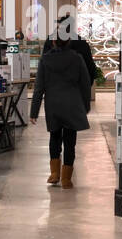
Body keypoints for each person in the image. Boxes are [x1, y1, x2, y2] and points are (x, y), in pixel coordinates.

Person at [29, 37, 91, 189]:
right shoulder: (77, 59)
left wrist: (34, 111)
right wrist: (85, 106)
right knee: (70, 141)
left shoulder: (45, 59)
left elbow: (39, 87)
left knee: (54, 137)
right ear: (68, 42)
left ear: (54, 42)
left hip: (53, 104)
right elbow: (85, 84)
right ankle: (66, 179)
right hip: (72, 104)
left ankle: (54, 174)